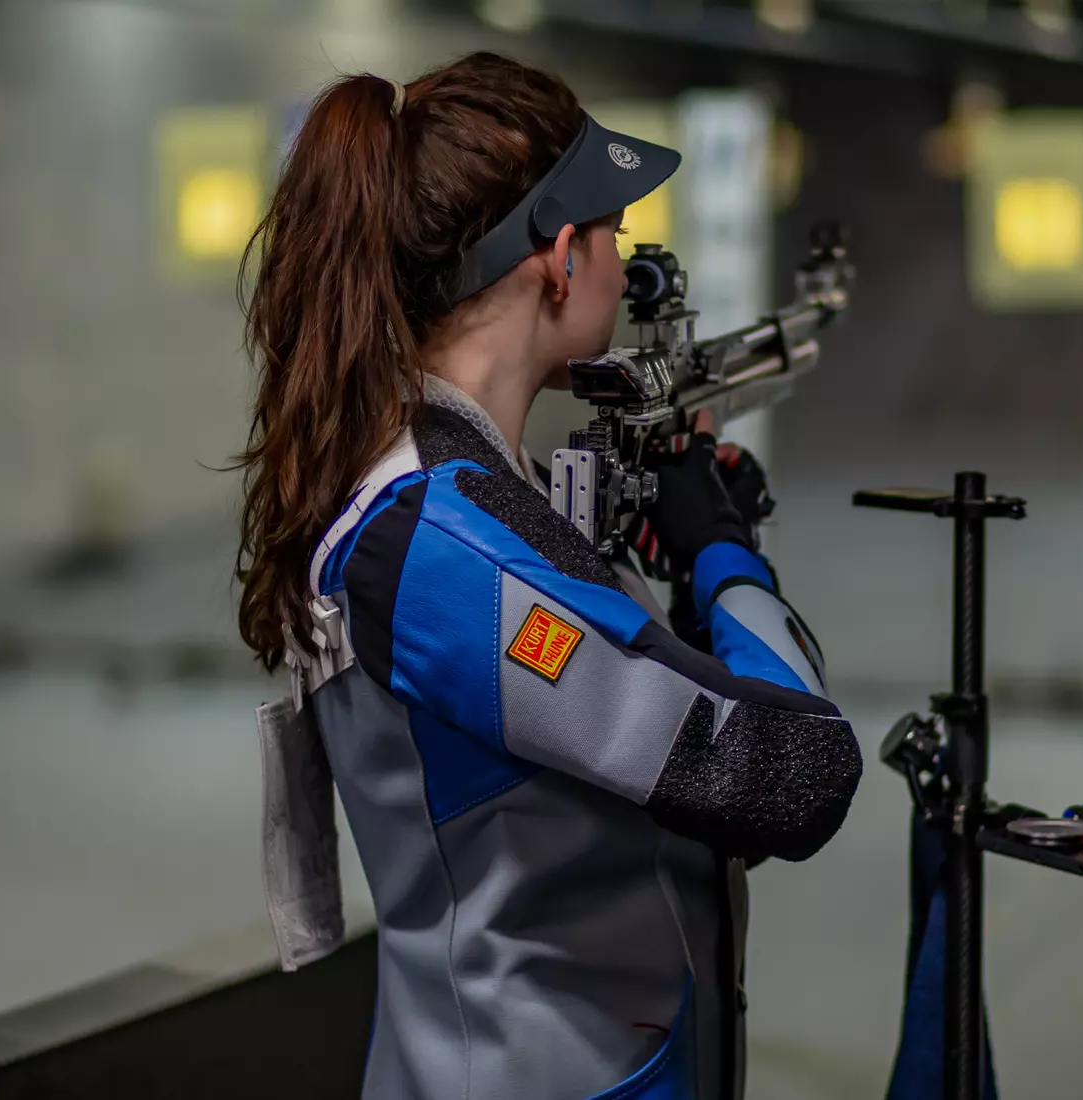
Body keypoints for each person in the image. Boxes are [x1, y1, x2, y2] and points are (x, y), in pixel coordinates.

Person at [234, 51, 862, 1100]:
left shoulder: (470, 487)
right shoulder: (441, 546)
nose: (625, 263)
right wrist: (723, 554)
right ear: (561, 258)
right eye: (616, 234)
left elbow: (638, 754)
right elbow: (796, 771)